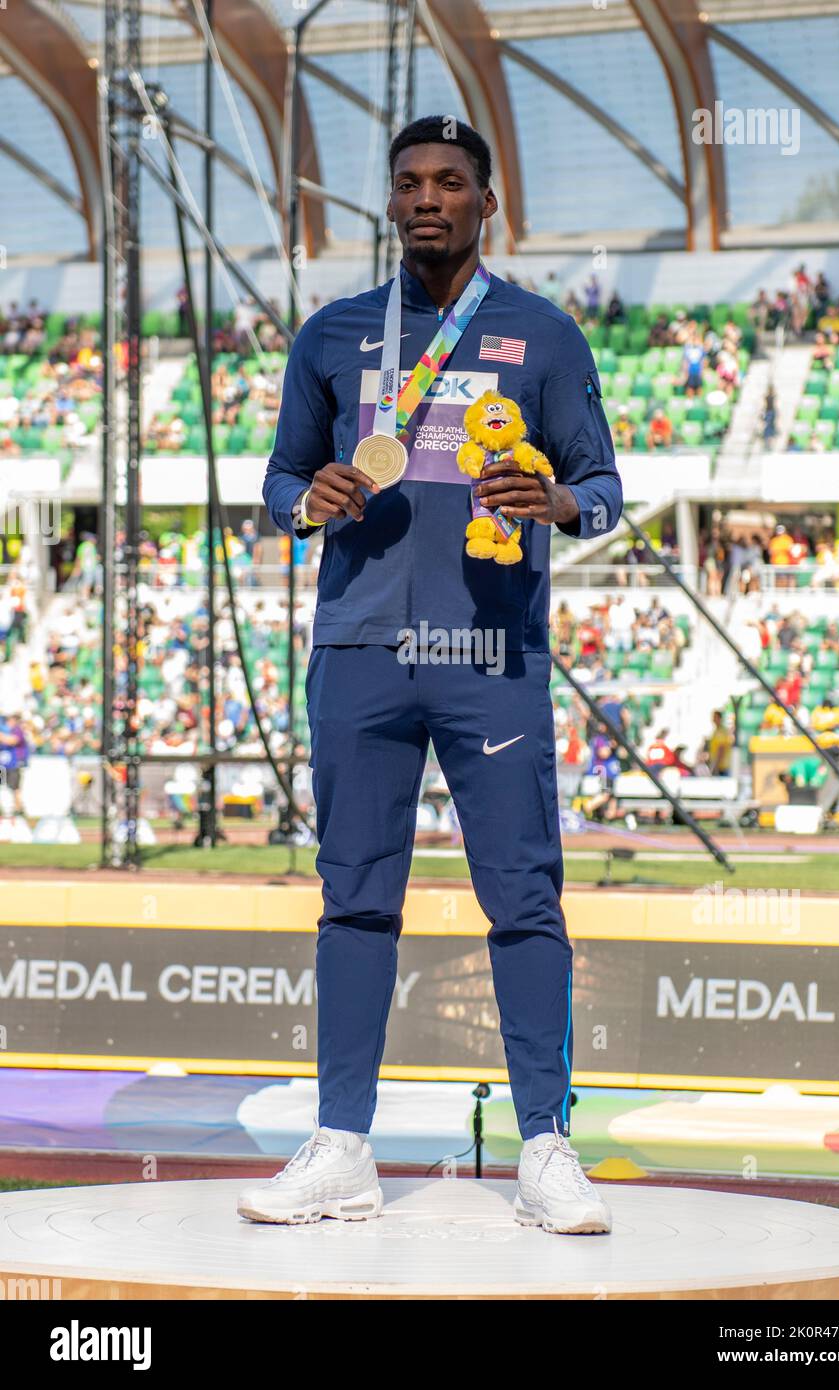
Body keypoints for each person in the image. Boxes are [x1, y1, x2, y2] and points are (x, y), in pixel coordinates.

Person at [250, 115, 622, 1235]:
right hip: (360, 653)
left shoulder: (543, 336)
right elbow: (275, 481)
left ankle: (546, 1150)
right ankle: (342, 1146)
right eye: (408, 182)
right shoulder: (332, 335)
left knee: (523, 900)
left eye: (449, 183)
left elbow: (604, 489)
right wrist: (300, 502)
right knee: (353, 899)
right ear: (391, 203)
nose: (426, 199)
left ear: (484, 202)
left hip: (489, 656)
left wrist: (555, 501)